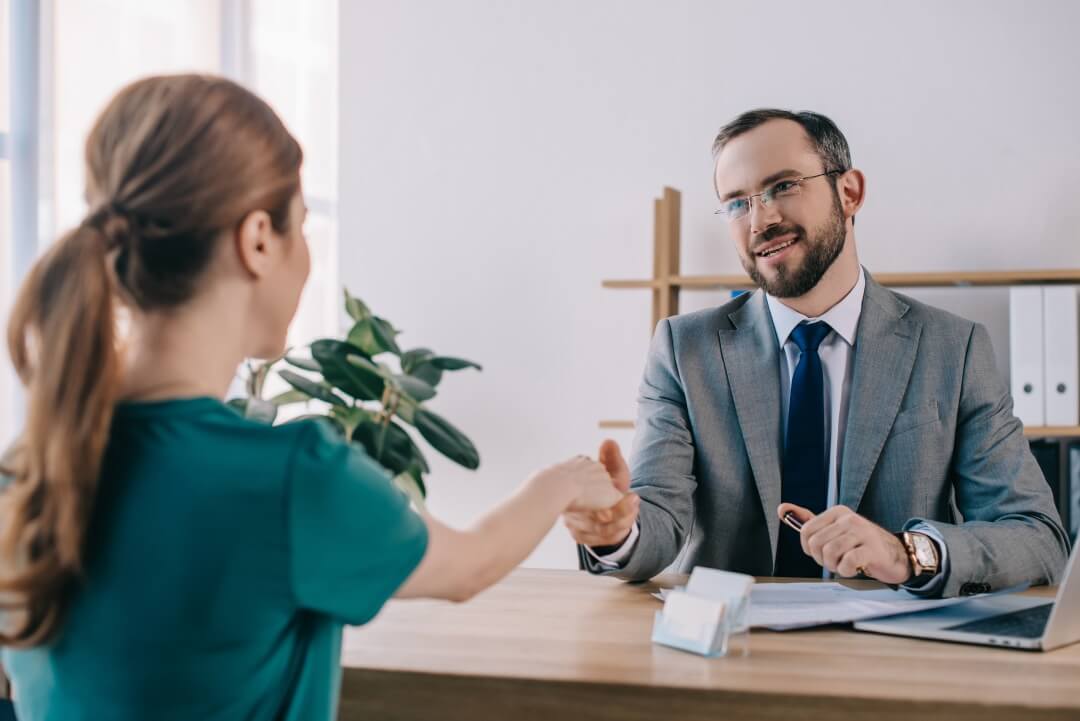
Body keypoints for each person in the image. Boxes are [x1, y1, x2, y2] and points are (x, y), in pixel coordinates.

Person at [0, 74, 622, 721]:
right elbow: (468, 566)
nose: (307, 261)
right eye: (302, 230)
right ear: (259, 239)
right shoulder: (291, 477)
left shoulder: (29, 470)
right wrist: (562, 484)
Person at [565, 108, 1069, 597]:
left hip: (885, 657)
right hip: (726, 649)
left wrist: (906, 553)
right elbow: (657, 516)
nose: (760, 219)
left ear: (849, 192)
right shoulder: (684, 349)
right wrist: (616, 532)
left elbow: (1038, 539)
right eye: (737, 202)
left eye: (783, 186)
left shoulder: (952, 349)